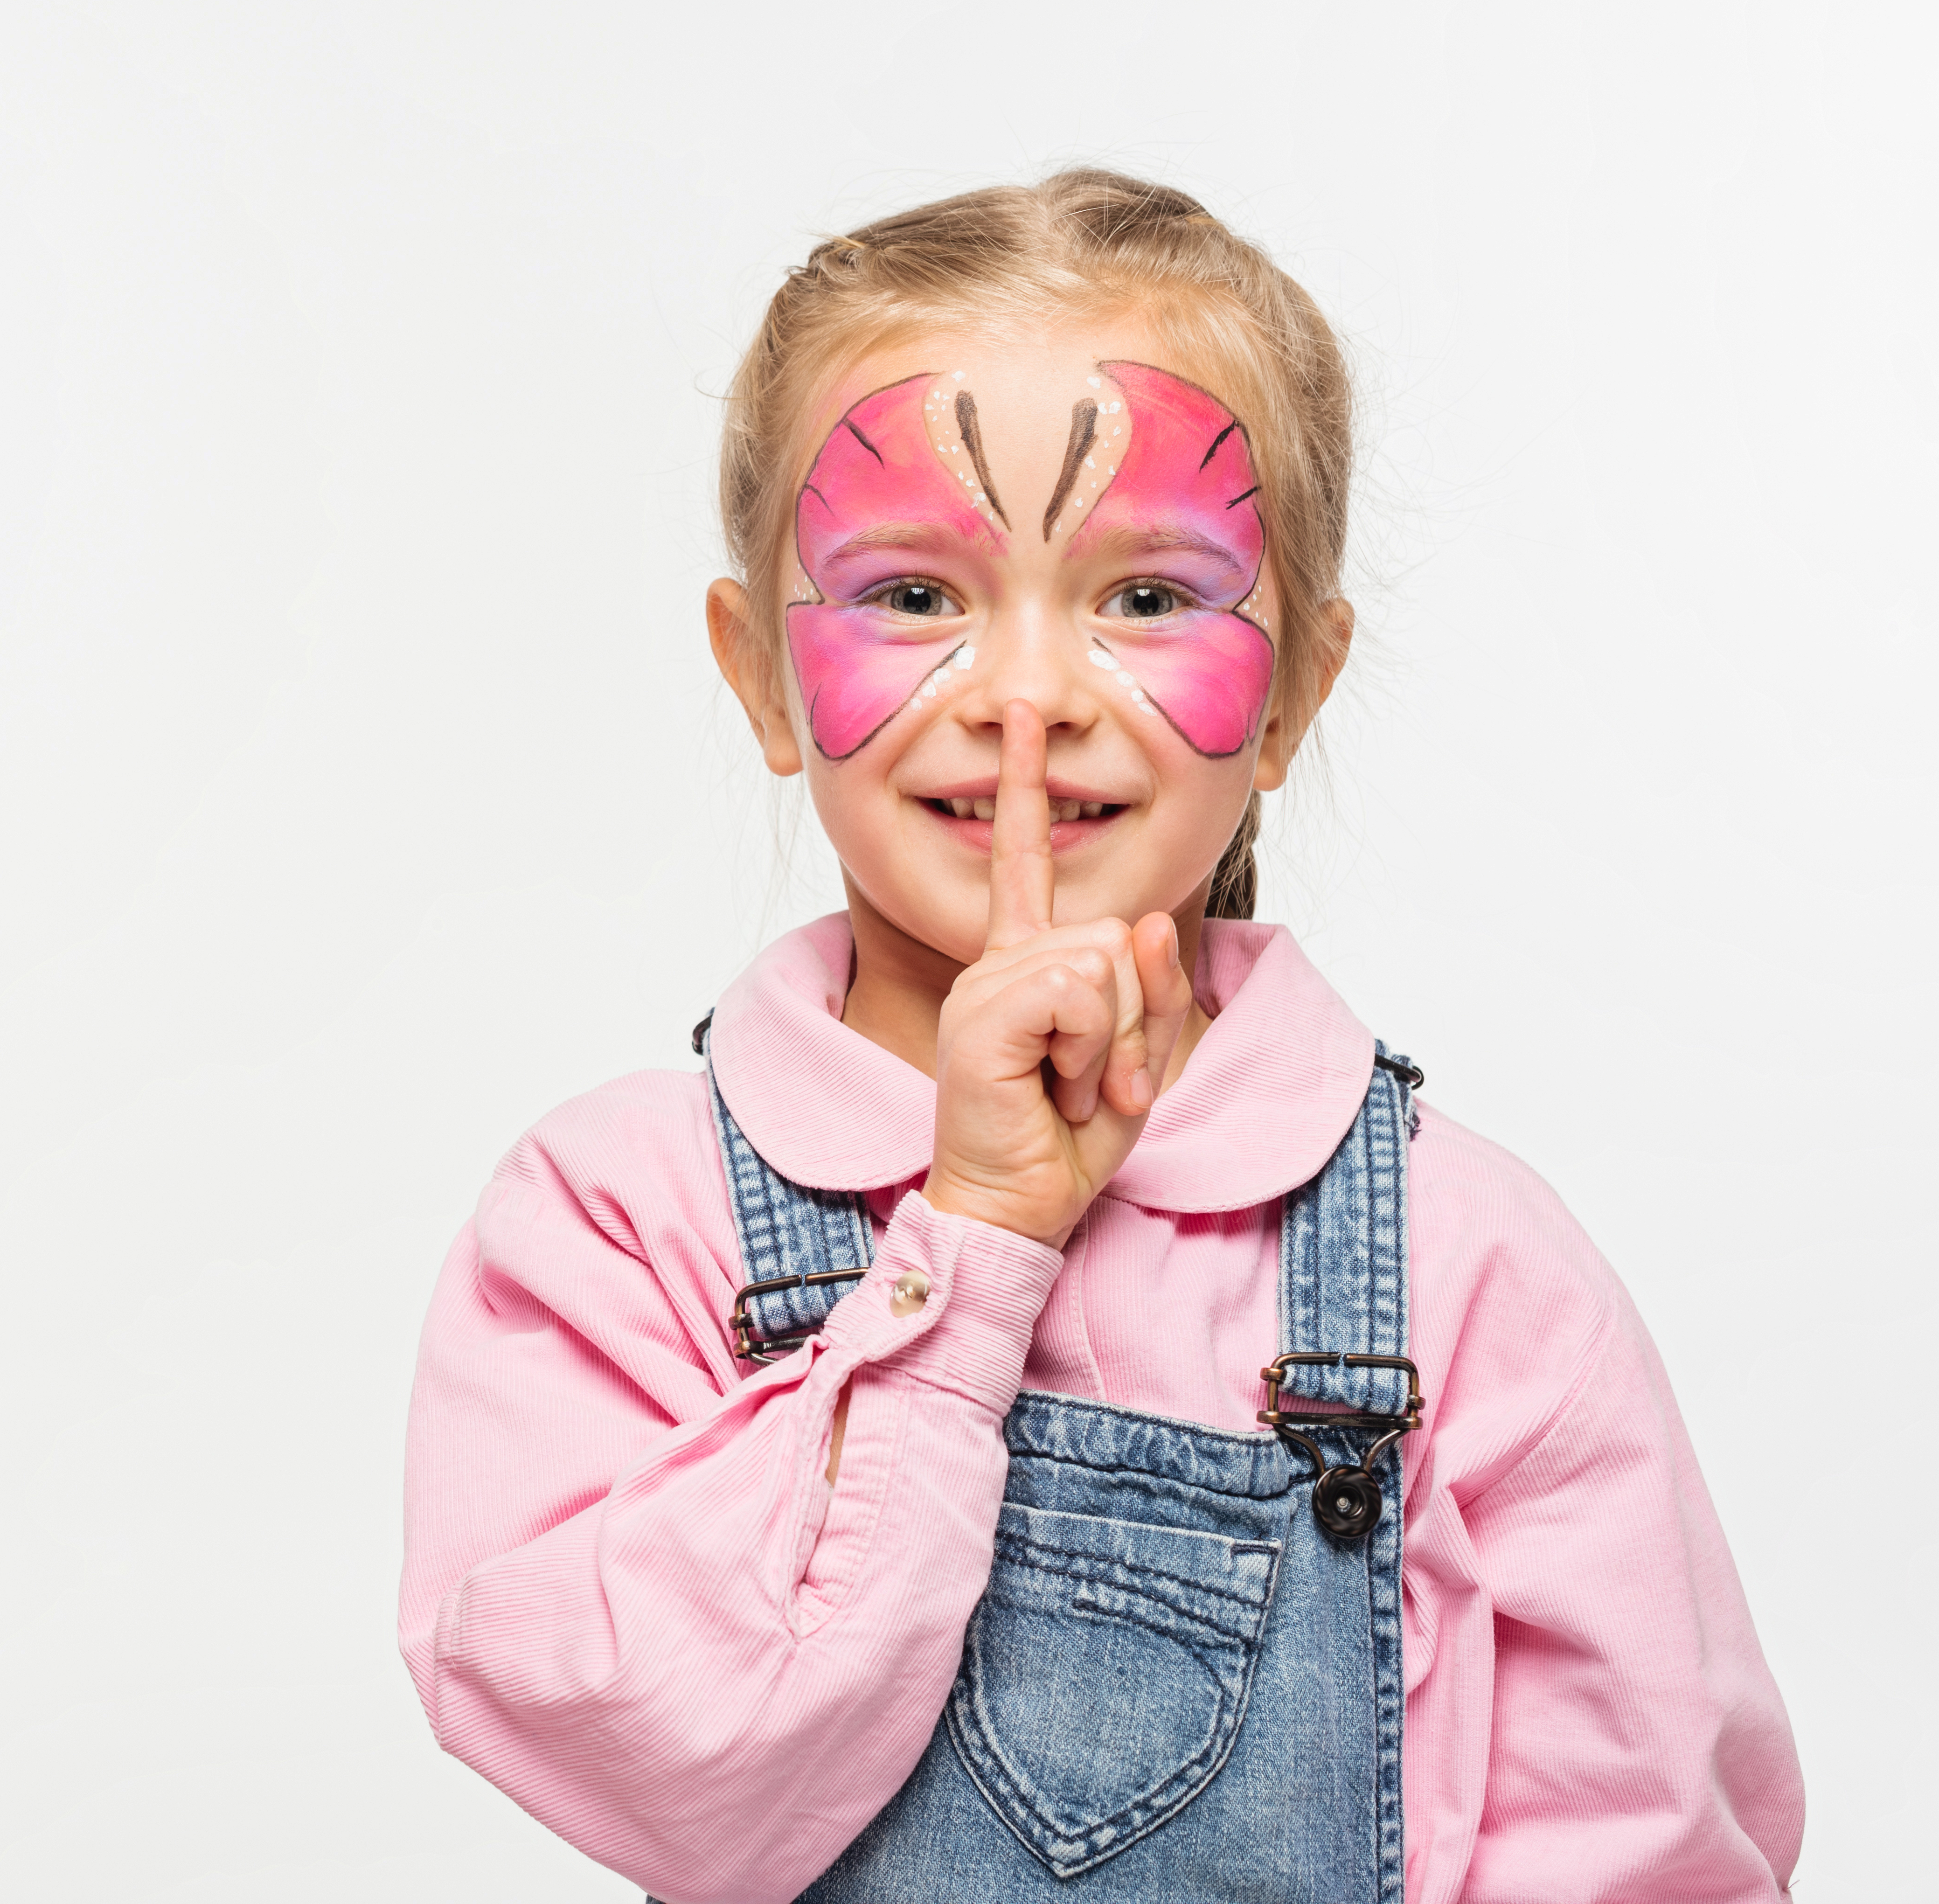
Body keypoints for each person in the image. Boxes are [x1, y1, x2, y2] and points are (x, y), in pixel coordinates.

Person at [397, 173, 1801, 1902]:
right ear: (761, 673)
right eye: (913, 595)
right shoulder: (621, 1223)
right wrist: (973, 1246)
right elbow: (670, 1766)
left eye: (1147, 598)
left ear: (1293, 694)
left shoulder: (1466, 1265)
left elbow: (1657, 1846)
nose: (1030, 688)